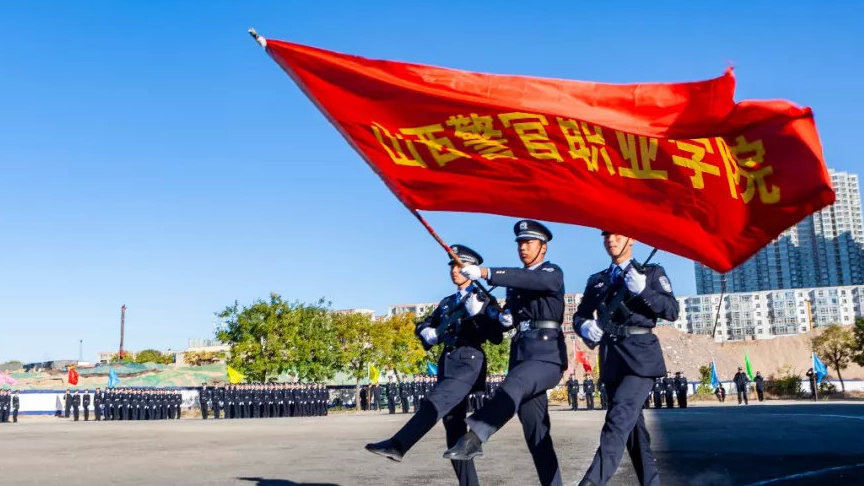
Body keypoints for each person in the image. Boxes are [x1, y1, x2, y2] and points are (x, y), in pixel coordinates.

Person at [366, 244, 504, 486]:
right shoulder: (447, 302)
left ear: (470, 269)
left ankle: (399, 444)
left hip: (469, 361)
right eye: (451, 266)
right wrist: (426, 332)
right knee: (454, 431)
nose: (453, 271)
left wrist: (479, 315)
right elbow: (425, 323)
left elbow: (497, 335)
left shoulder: (484, 298)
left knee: (434, 402)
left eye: (459, 266)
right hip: (448, 363)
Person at [444, 220, 566, 486]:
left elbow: (530, 279)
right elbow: (507, 321)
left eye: (529, 242)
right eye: (520, 243)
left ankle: (474, 437)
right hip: (522, 354)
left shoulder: (551, 272)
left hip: (546, 357)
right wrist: (494, 315)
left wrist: (485, 272)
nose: (523, 247)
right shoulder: (515, 285)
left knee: (514, 383)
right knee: (537, 436)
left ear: (543, 247)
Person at [574, 230, 679, 486]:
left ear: (631, 239)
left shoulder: (651, 273)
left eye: (618, 235)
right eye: (606, 236)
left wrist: (643, 290)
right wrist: (586, 327)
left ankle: (591, 482)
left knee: (617, 420)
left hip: (640, 358)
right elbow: (580, 315)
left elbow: (672, 310)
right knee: (634, 432)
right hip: (611, 358)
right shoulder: (597, 280)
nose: (611, 240)